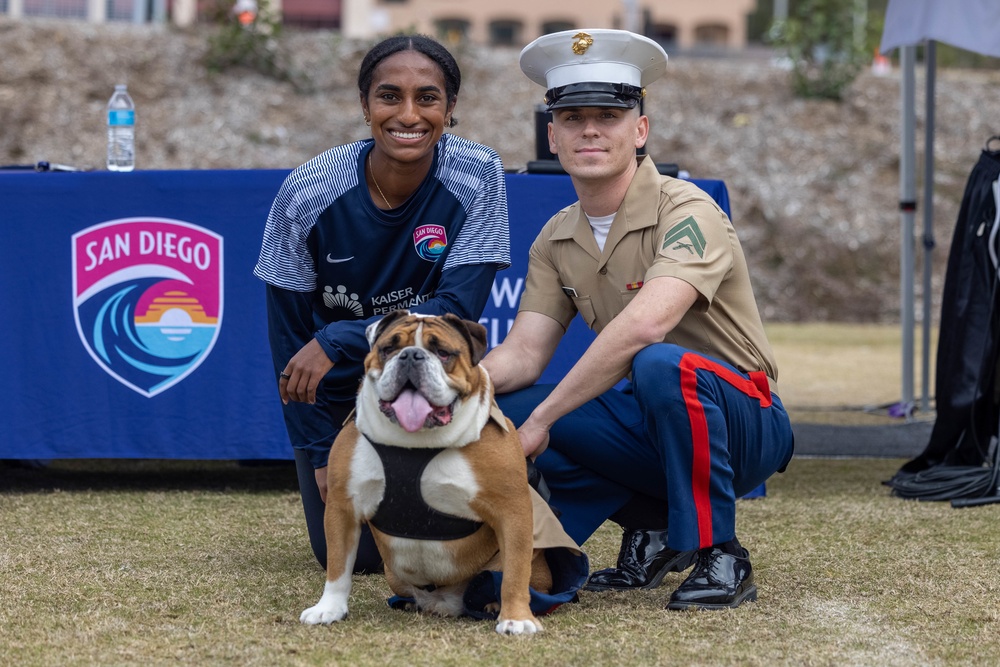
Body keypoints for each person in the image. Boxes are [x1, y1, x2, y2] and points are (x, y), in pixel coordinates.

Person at [482, 29, 794, 610]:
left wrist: (548, 418)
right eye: (573, 118)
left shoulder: (688, 208)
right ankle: (650, 528)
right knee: (506, 407)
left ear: (640, 130)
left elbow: (646, 327)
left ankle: (721, 552)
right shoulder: (556, 236)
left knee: (655, 363)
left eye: (609, 114)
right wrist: (450, 390)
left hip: (746, 420)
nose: (590, 130)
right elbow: (524, 354)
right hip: (655, 423)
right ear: (553, 135)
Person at [254, 34, 510, 573]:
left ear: (451, 108)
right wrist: (322, 451)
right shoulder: (308, 190)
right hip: (339, 387)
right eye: (389, 96)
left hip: (432, 378)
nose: (408, 114)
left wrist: (338, 338)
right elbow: (290, 344)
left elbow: (455, 315)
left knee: (441, 533)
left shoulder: (478, 174)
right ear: (365, 105)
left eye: (428, 97)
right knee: (351, 555)